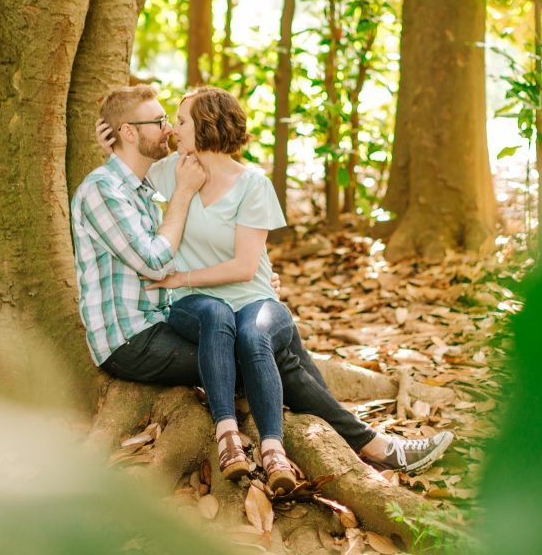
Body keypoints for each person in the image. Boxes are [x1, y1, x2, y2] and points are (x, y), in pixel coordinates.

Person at [71, 85, 452, 487]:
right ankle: (367, 445)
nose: (169, 129)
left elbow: (235, 261)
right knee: (268, 357)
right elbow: (138, 208)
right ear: (131, 131)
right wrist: (121, 147)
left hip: (211, 310)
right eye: (163, 121)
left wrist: (215, 276)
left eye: (176, 121)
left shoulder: (224, 180)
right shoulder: (158, 178)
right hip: (158, 326)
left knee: (260, 344)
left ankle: (353, 445)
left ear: (205, 127)